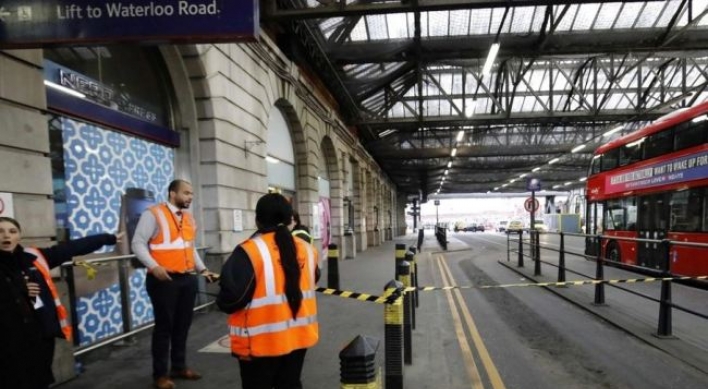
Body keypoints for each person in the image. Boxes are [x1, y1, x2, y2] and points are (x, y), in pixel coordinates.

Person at [0, 216, 120, 389]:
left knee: (39, 379)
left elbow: (71, 248)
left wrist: (109, 238)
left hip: (38, 336)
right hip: (8, 340)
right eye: (1, 231)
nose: (6, 236)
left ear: (19, 236)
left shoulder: (33, 257)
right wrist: (18, 288)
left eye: (12, 231)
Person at [217, 193, 319, 389]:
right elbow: (313, 278)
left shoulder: (249, 251)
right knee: (290, 383)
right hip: (299, 337)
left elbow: (230, 300)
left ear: (257, 220)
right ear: (291, 220)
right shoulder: (307, 249)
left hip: (260, 343)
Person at [131, 179, 215, 389]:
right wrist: (154, 266)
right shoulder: (154, 214)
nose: (190, 197)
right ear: (172, 193)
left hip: (187, 278)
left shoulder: (188, 218)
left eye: (192, 194)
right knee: (164, 327)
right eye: (186, 193)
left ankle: (179, 366)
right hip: (164, 280)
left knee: (183, 326)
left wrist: (202, 269)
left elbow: (190, 247)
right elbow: (137, 243)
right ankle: (160, 375)